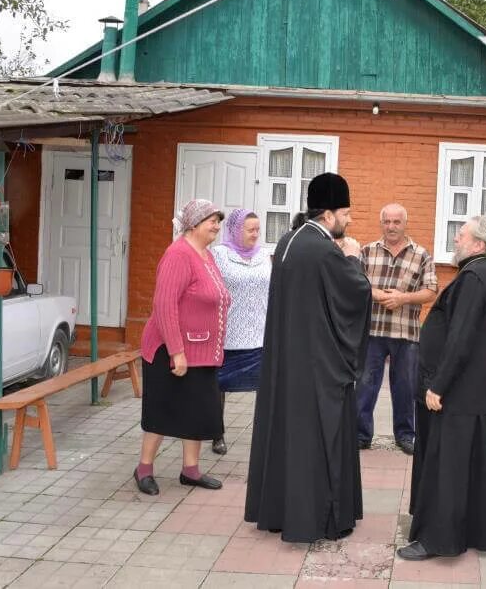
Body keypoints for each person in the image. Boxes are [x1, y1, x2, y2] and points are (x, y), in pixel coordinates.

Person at [244, 172, 372, 543]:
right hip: (316, 366)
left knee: (287, 435)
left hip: (288, 359)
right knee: (316, 438)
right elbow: (353, 295)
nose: (348, 221)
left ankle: (281, 511)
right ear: (329, 215)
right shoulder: (324, 249)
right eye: (346, 213)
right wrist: (352, 259)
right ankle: (318, 517)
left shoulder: (288, 240)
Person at [397, 216, 486, 561]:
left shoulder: (475, 276)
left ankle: (438, 540)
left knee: (447, 467)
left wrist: (438, 385)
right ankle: (480, 531)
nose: (456, 240)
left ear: (479, 244)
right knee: (473, 465)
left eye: (461, 235)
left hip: (458, 391)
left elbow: (460, 338)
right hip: (478, 388)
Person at [135, 199, 231, 495]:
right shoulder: (178, 255)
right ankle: (144, 469)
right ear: (193, 224)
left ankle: (190, 470)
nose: (216, 225)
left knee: (197, 411)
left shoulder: (206, 255)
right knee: (162, 411)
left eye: (218, 220)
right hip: (171, 351)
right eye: (211, 220)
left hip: (201, 352)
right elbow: (164, 305)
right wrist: (177, 351)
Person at [357, 203, 438, 455]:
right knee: (365, 385)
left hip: (406, 332)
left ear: (405, 223)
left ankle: (405, 435)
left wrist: (403, 298)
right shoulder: (367, 251)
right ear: (381, 223)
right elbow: (354, 283)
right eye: (387, 222)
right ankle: (360, 434)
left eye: (396, 222)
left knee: (405, 386)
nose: (391, 227)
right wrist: (379, 295)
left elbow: (431, 291)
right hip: (372, 331)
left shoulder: (421, 254)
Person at [209, 209, 271, 456]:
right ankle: (216, 433)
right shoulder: (219, 254)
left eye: (258, 229)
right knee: (219, 386)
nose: (255, 234)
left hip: (259, 332)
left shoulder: (264, 255)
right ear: (235, 230)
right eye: (250, 230)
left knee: (264, 387)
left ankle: (265, 434)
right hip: (227, 333)